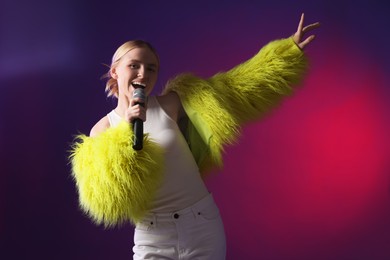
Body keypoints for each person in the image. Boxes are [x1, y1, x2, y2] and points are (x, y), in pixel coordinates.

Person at [69, 13, 320, 260]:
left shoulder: (171, 103)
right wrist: (128, 131)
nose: (143, 74)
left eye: (151, 68)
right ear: (115, 71)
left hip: (201, 226)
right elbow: (109, 201)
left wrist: (287, 53)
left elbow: (235, 88)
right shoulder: (101, 130)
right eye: (134, 65)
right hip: (153, 236)